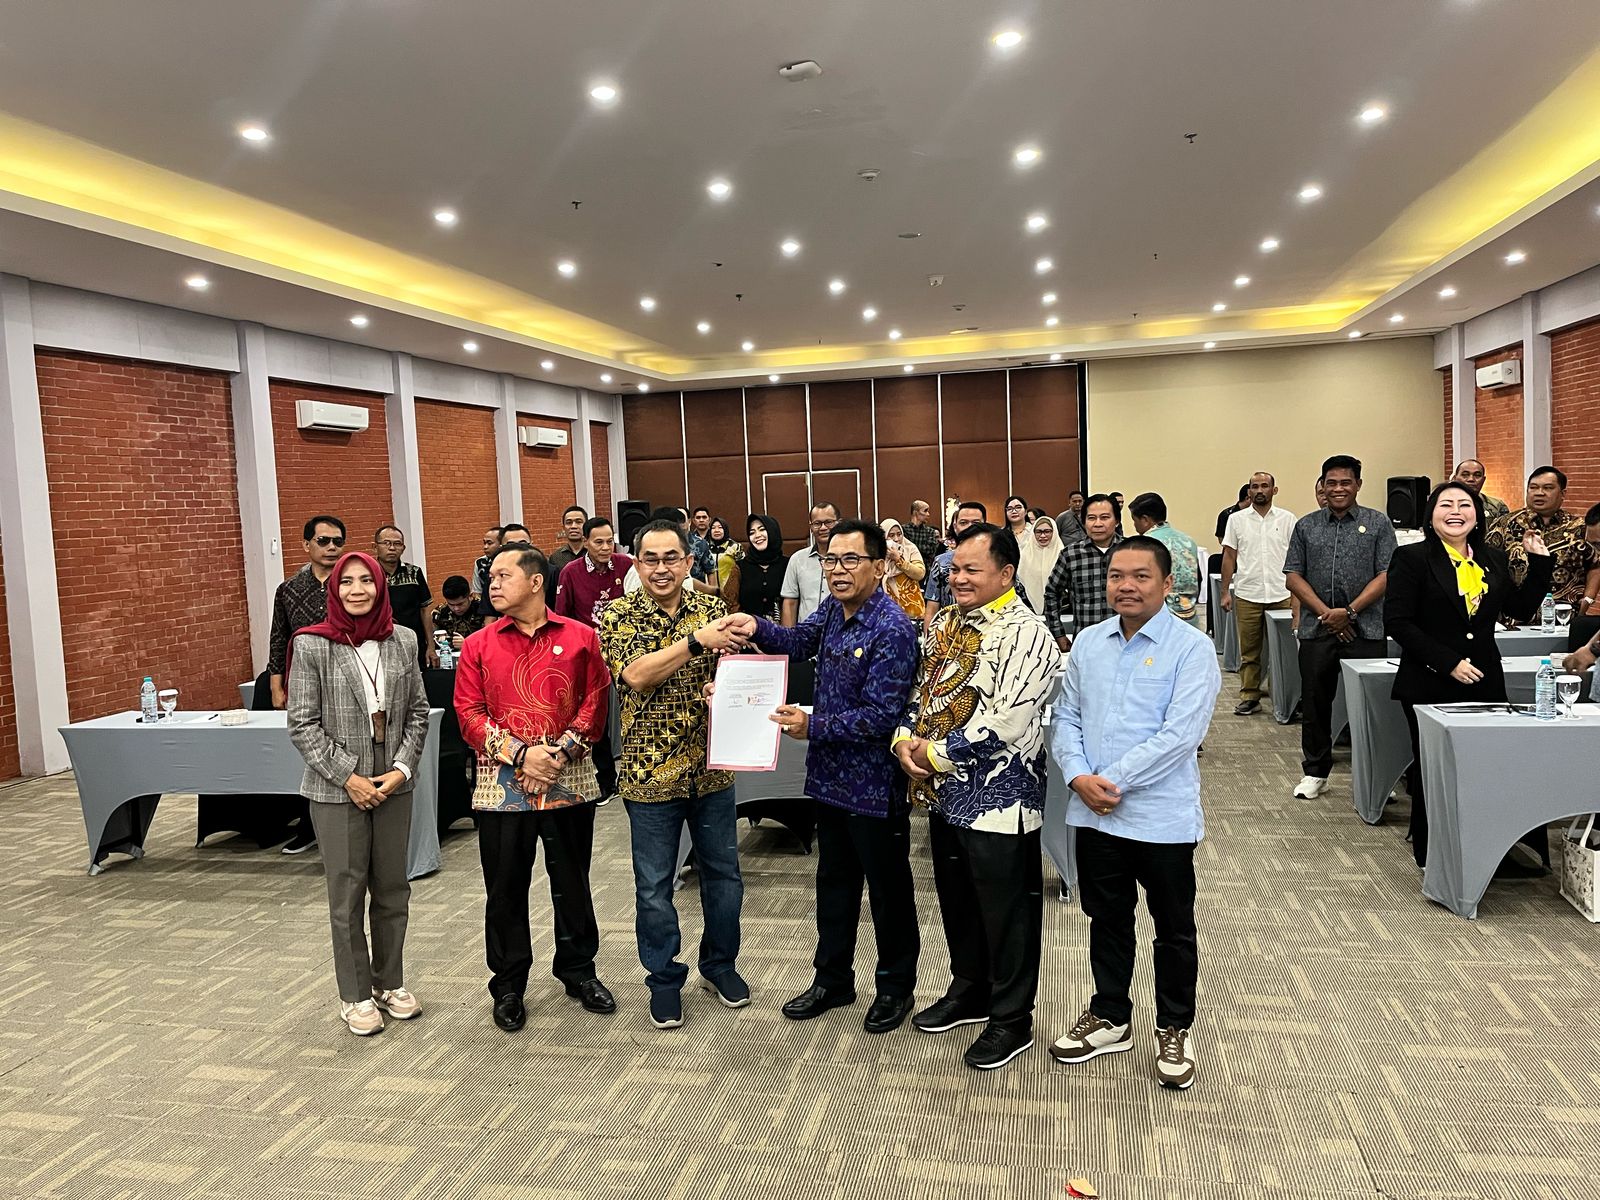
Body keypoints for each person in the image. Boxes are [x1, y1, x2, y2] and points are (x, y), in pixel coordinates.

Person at [726, 520, 922, 1032]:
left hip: (874, 787)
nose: (838, 570)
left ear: (879, 566)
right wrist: (754, 626)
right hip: (829, 780)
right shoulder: (835, 610)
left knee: (888, 891)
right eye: (831, 559)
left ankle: (895, 988)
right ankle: (833, 980)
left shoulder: (893, 628)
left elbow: (880, 717)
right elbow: (796, 640)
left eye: (851, 559)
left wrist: (812, 725)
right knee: (834, 886)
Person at [1048, 536, 1221, 1089]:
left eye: (1140, 576)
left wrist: (1111, 781)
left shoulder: (1191, 649)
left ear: (1167, 584)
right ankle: (1111, 1016)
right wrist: (1078, 776)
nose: (1126, 586)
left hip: (1161, 818)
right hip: (1096, 815)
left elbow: (1181, 736)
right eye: (1116, 575)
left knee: (1173, 928)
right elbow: (1066, 716)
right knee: (1107, 918)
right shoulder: (1088, 644)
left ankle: (1175, 1026)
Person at [895, 524, 1058, 1070]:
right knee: (958, 900)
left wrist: (933, 754)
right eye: (955, 569)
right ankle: (970, 989)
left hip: (1001, 800)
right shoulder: (944, 622)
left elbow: (1007, 722)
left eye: (972, 570)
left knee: (1007, 912)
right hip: (944, 795)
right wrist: (903, 739)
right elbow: (919, 692)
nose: (958, 578)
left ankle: (1012, 1018)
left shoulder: (1027, 633)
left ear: (1006, 573)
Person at [455, 540, 616, 1031]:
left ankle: (578, 971)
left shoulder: (582, 637)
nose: (493, 584)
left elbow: (595, 701)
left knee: (572, 882)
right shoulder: (477, 644)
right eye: (491, 577)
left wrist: (558, 754)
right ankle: (508, 984)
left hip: (569, 778)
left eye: (503, 575)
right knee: (505, 887)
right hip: (502, 786)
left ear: (535, 581)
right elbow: (468, 712)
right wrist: (523, 756)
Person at [599, 519, 752, 1029]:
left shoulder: (712, 611)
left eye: (672, 558)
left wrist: (721, 689)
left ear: (689, 562)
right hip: (649, 774)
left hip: (712, 769)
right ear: (636, 564)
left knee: (724, 877)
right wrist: (695, 643)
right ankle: (664, 979)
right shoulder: (617, 615)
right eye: (651, 559)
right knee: (654, 887)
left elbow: (732, 673)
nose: (661, 568)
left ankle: (719, 966)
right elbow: (636, 676)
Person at [286, 551, 430, 1036]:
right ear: (334, 589)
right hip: (335, 786)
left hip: (393, 780)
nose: (356, 590)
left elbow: (418, 712)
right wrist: (349, 777)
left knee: (392, 888)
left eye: (365, 581)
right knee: (346, 894)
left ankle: (389, 982)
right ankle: (355, 994)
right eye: (346, 582)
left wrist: (401, 769)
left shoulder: (402, 639)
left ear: (380, 586)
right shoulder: (312, 644)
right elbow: (302, 725)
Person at [1385, 482, 1552, 867]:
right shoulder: (1411, 558)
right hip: (1429, 680)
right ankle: (1433, 853)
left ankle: (1486, 849)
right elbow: (1398, 622)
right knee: (1434, 769)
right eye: (1446, 505)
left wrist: (1539, 564)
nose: (1455, 511)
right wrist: (1447, 662)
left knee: (1487, 766)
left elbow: (1519, 611)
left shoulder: (1492, 558)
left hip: (1484, 680)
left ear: (1477, 515)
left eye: (1465, 504)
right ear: (1431, 515)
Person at [1284, 455, 1397, 800]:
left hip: (1366, 630)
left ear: (1358, 485)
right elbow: (1293, 576)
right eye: (1331, 483)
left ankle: (1379, 775)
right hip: (1317, 630)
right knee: (1316, 703)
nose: (1338, 489)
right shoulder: (1306, 526)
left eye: (1345, 482)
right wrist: (1329, 616)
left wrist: (1349, 612)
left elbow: (1387, 575)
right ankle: (1315, 772)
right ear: (1322, 485)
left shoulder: (1378, 523)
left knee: (1373, 707)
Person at [267, 514, 348, 854]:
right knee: (308, 754)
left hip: (347, 681)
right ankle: (307, 826)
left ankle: (341, 828)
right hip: (303, 682)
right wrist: (276, 685)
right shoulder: (289, 589)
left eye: (338, 542)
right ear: (306, 545)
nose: (331, 547)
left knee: (344, 752)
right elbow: (278, 637)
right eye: (323, 541)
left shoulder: (353, 583)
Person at [1220, 472, 1297, 715]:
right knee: (1249, 652)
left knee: (1284, 652)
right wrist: (1225, 591)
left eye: (1265, 486)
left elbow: (1296, 559)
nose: (1259, 490)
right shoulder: (1236, 520)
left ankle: (1284, 696)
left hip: (1281, 593)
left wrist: (1297, 597)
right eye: (1255, 486)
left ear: (1274, 490)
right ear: (1249, 491)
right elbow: (1229, 556)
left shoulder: (1288, 519)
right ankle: (1250, 696)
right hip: (1248, 593)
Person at [1486, 466, 1600, 611]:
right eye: (1533, 487)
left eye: (1548, 488)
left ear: (1563, 493)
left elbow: (1596, 564)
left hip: (1564, 615)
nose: (1539, 493)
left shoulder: (1579, 527)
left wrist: (1588, 599)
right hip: (1513, 616)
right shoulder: (1505, 524)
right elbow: (1486, 563)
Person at [1044, 494, 1123, 651]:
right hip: (1086, 644)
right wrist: (1058, 634)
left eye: (1105, 517)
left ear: (1117, 521)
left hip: (1127, 641)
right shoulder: (1070, 554)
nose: (1098, 524)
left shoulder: (1131, 551)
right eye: (1091, 518)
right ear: (1084, 522)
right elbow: (1052, 593)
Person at [1128, 493, 1201, 628]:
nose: (1134, 526)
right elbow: (1198, 578)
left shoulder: (1146, 544)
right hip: (1189, 615)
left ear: (1145, 519)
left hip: (1158, 618)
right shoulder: (1188, 541)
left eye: (1134, 520)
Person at [372, 525, 437, 668]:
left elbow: (425, 610)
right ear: (375, 547)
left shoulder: (414, 573)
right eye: (386, 543)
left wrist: (431, 646)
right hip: (380, 644)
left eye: (397, 543)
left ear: (403, 548)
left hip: (414, 643)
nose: (392, 548)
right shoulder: (367, 575)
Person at [553, 516, 632, 628]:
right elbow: (562, 616)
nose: (606, 547)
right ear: (585, 542)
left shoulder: (626, 564)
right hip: (586, 636)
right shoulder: (570, 572)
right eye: (599, 542)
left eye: (610, 541)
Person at [922, 501, 988, 627]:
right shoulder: (941, 562)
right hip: (948, 631)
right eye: (963, 523)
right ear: (955, 526)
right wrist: (928, 637)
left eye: (976, 523)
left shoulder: (996, 561)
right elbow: (931, 609)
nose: (970, 527)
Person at [782, 501, 839, 625]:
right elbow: (790, 603)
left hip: (840, 632)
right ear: (811, 527)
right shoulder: (797, 559)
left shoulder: (849, 560)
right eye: (817, 523)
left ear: (838, 523)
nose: (823, 528)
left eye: (828, 522)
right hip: (806, 633)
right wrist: (788, 635)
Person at [738, 514, 789, 621]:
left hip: (784, 629)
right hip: (748, 629)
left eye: (762, 529)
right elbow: (731, 604)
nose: (757, 535)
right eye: (752, 533)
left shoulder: (789, 564)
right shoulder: (739, 567)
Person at [480, 523, 531, 622]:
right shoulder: (493, 577)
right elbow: (490, 618)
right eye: (511, 545)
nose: (517, 549)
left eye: (523, 544)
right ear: (501, 548)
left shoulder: (549, 571)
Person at [880, 517, 926, 620]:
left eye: (899, 534)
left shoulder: (910, 548)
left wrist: (899, 561)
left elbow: (920, 573)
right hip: (887, 608)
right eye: (891, 535)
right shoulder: (877, 552)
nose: (896, 539)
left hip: (912, 606)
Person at [1017, 515, 1064, 614]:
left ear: (1054, 532)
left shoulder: (1062, 554)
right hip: (1029, 609)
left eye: (1047, 531)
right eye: (1038, 532)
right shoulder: (1025, 554)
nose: (1042, 536)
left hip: (1062, 608)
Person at [544, 506, 588, 607]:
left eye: (578, 522)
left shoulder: (593, 554)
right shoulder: (556, 557)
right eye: (569, 522)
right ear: (563, 527)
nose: (573, 526)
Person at [1450, 460, 1509, 525]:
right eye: (1465, 475)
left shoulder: (1497, 506)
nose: (1471, 479)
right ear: (1454, 479)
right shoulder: (1443, 504)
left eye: (1477, 475)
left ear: (1483, 480)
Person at [431, 575, 481, 651]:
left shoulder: (483, 610)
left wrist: (467, 645)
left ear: (470, 596)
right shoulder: (439, 613)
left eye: (460, 604)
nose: (456, 609)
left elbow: (491, 640)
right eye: (451, 604)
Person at [706, 517, 744, 611]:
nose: (716, 530)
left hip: (731, 594)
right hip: (710, 594)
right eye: (713, 528)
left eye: (720, 527)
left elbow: (743, 569)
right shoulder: (705, 547)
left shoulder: (735, 547)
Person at [474, 526, 504, 614]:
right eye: (484, 543)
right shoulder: (480, 563)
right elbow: (477, 593)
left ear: (501, 544)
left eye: (489, 543)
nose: (485, 547)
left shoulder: (512, 562)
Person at [904, 500, 944, 565]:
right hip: (908, 568)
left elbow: (930, 552)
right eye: (925, 511)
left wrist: (912, 548)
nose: (928, 514)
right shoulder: (904, 530)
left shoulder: (930, 531)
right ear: (915, 512)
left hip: (926, 569)